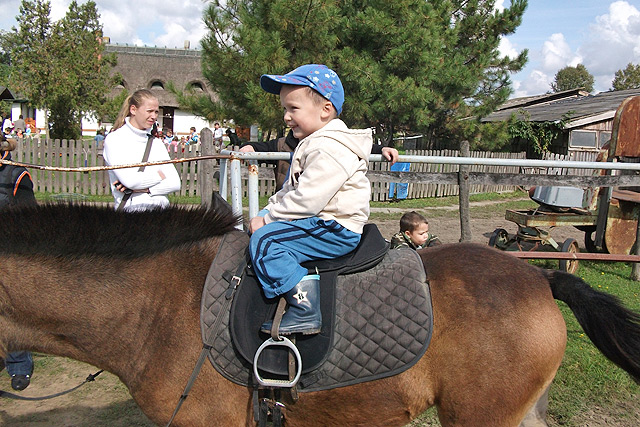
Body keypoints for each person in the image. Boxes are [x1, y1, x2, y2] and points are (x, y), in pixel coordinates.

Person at [249, 64, 372, 336]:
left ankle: (304, 308)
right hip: (320, 220)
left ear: (325, 110)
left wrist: (267, 221)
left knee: (266, 242)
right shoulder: (314, 143)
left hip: (335, 226)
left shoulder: (329, 147)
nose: (286, 117)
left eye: (293, 108)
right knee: (263, 230)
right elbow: (290, 191)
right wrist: (266, 212)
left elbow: (307, 200)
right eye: (285, 109)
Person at [241, 130, 399, 192]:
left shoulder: (331, 142)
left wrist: (381, 149)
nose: (288, 117)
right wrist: (249, 147)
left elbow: (356, 146)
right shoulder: (282, 145)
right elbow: (262, 147)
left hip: (319, 208)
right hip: (286, 206)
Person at [103, 89, 181, 211]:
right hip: (131, 214)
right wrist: (160, 175)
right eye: (149, 111)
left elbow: (175, 183)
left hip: (162, 214)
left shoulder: (156, 143)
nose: (154, 116)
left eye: (156, 112)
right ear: (133, 110)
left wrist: (144, 189)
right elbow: (131, 181)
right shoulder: (115, 140)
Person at [0, 132, 36, 391]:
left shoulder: (16, 175)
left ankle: (19, 365)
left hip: (8, 254)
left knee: (10, 311)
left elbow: (30, 219)